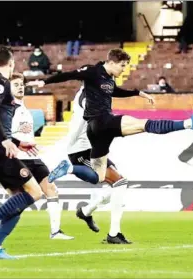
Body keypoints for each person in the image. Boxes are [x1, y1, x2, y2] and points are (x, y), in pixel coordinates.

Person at [28, 48, 193, 185]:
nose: (123, 70)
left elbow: (116, 92)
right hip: (103, 122)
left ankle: (70, 169)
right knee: (146, 125)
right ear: (112, 62)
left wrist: (138, 93)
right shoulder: (93, 72)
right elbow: (69, 75)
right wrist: (44, 81)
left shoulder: (108, 80)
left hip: (95, 130)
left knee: (98, 177)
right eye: (122, 66)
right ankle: (189, 123)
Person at [0, 73, 73, 240]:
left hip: (32, 158)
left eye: (22, 84)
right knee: (15, 200)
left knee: (50, 189)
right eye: (16, 84)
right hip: (14, 158)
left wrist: (29, 143)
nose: (20, 87)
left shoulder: (24, 109)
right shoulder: (5, 108)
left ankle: (55, 231)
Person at [0, 45, 43, 260]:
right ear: (11, 63)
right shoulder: (0, 82)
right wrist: (5, 140)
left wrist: (17, 142)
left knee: (18, 201)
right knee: (35, 192)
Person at [48, 84, 132, 244]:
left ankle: (86, 211)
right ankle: (114, 234)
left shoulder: (87, 93)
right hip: (82, 150)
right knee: (120, 183)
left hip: (89, 147)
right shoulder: (89, 98)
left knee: (117, 187)